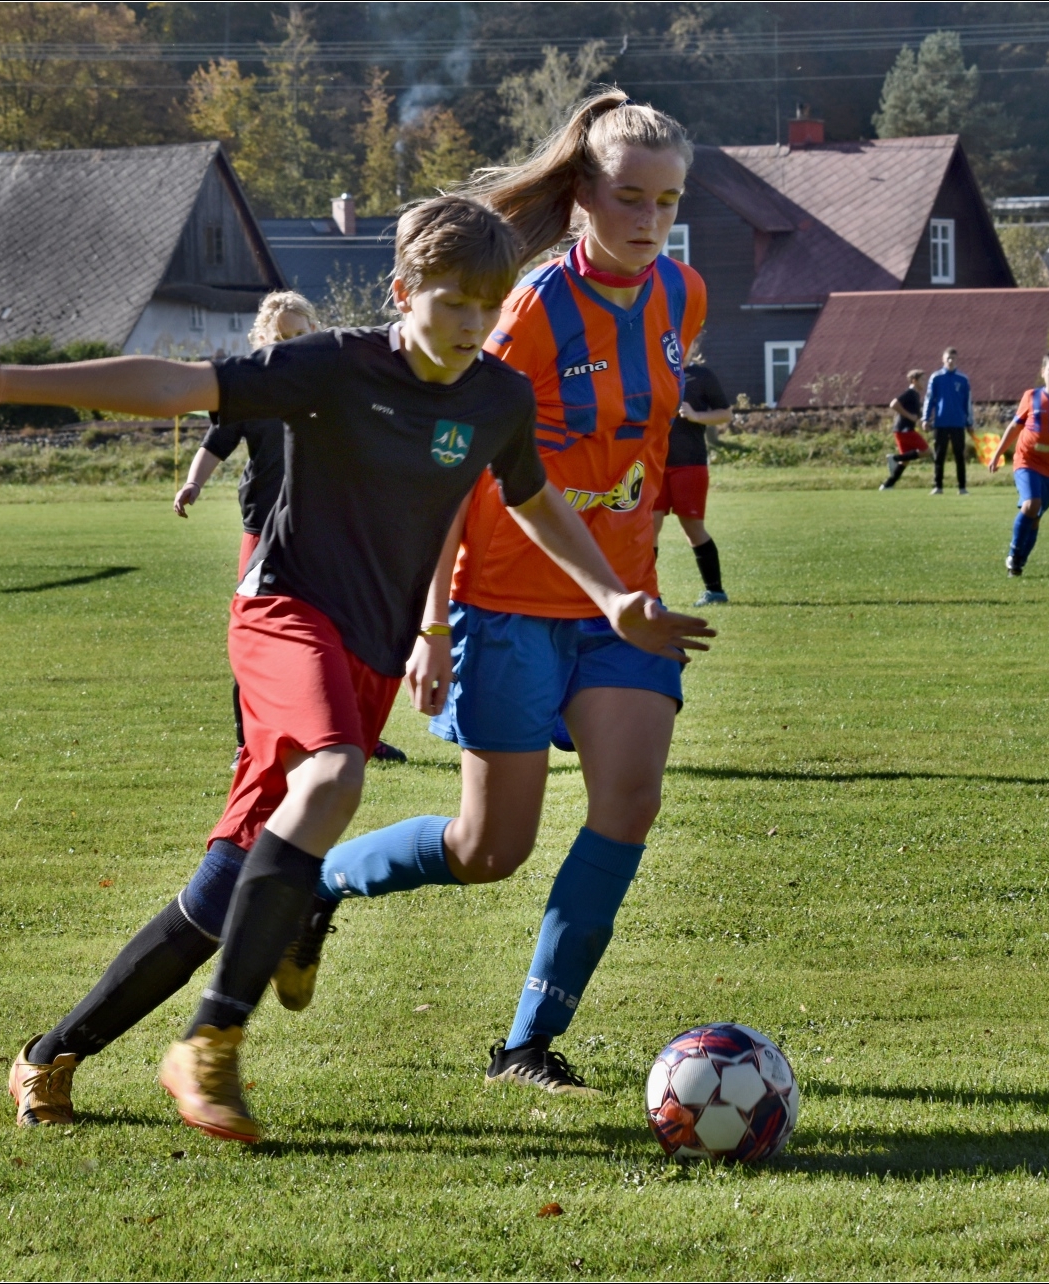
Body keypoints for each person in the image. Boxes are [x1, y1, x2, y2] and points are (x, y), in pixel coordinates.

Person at [0, 195, 707, 1143]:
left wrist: (611, 597)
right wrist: (14, 385)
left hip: (366, 656)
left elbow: (532, 500)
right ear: (401, 291)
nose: (472, 324)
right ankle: (210, 1042)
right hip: (284, 615)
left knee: (224, 890)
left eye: (487, 307)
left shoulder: (495, 396)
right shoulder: (334, 364)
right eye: (451, 302)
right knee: (334, 775)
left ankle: (51, 1053)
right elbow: (178, 385)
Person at [297, 91, 716, 1097]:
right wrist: (433, 622)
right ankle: (315, 882)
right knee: (491, 849)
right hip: (507, 605)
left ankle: (526, 1046)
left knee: (630, 803)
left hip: (623, 607)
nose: (649, 220)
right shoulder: (526, 310)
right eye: (629, 198)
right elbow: (457, 466)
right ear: (582, 196)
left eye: (667, 201)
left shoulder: (684, 295)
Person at [174, 293, 409, 763]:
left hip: (327, 529)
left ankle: (359, 734)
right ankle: (248, 743)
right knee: (260, 636)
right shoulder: (252, 390)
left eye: (301, 335)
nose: (293, 344)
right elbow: (215, 442)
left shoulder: (335, 386)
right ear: (262, 339)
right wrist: (193, 482)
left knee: (346, 633)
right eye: (282, 337)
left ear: (316, 334)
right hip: (264, 533)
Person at [987, 348, 1049, 577]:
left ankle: (1018, 564)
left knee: (1035, 518)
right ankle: (1014, 552)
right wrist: (997, 454)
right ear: (1043, 371)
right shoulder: (1031, 396)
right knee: (1032, 504)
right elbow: (1015, 427)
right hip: (1026, 460)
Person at [653, 333, 732, 606]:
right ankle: (649, 594)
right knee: (647, 528)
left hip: (690, 464)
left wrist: (697, 416)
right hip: (653, 465)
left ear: (692, 344)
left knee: (693, 528)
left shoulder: (702, 376)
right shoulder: (652, 373)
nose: (677, 347)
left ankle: (715, 591)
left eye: (683, 341)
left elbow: (725, 413)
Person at [924, 348, 973, 495]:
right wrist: (925, 418)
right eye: (948, 358)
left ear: (956, 360)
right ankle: (938, 486)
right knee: (939, 455)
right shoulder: (936, 378)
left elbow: (967, 402)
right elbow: (929, 399)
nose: (950, 361)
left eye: (953, 358)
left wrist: (969, 422)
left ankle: (962, 487)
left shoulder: (963, 379)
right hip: (941, 423)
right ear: (943, 360)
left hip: (958, 423)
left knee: (959, 456)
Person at [880, 369, 929, 489]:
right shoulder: (910, 392)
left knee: (905, 460)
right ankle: (894, 458)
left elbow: (914, 413)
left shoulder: (916, 394)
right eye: (922, 380)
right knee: (927, 451)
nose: (925, 382)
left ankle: (887, 485)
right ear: (914, 380)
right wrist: (909, 416)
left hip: (901, 430)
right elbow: (893, 404)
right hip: (904, 430)